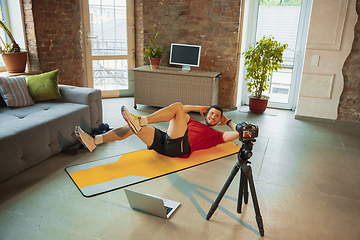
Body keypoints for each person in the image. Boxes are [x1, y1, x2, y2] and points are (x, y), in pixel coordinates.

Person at [74, 102, 240, 158]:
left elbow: (238, 133)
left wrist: (228, 121)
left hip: (180, 149)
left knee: (177, 106)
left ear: (219, 120)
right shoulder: (190, 122)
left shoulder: (217, 135)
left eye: (217, 116)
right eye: (211, 113)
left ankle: (140, 120)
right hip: (167, 142)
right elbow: (182, 112)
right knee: (134, 129)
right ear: (206, 114)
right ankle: (94, 141)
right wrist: (198, 107)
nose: (212, 117)